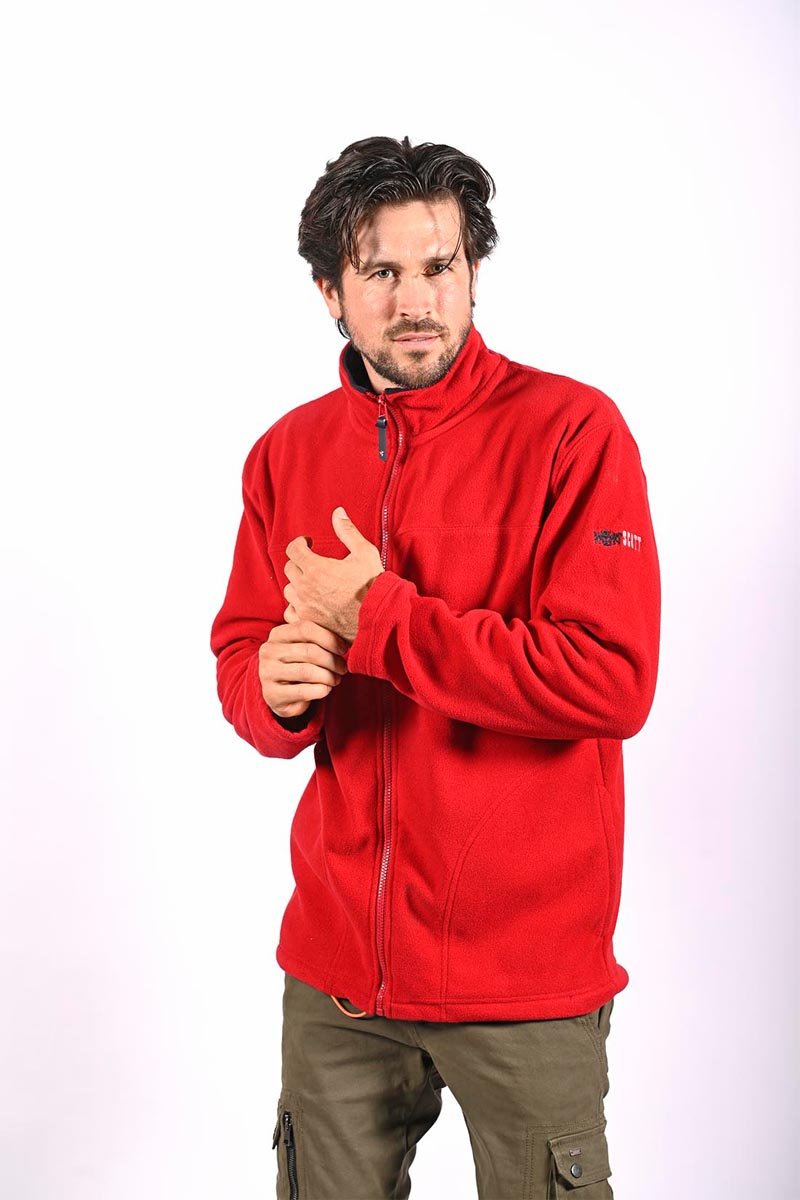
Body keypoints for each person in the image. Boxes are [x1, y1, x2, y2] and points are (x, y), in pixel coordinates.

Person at [210, 134, 661, 1200]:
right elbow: (242, 652)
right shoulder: (285, 451)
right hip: (337, 980)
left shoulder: (572, 432)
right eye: (380, 272)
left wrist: (379, 618)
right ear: (330, 292)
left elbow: (609, 678)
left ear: (472, 270)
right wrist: (269, 692)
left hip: (524, 980)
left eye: (439, 266)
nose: (415, 301)